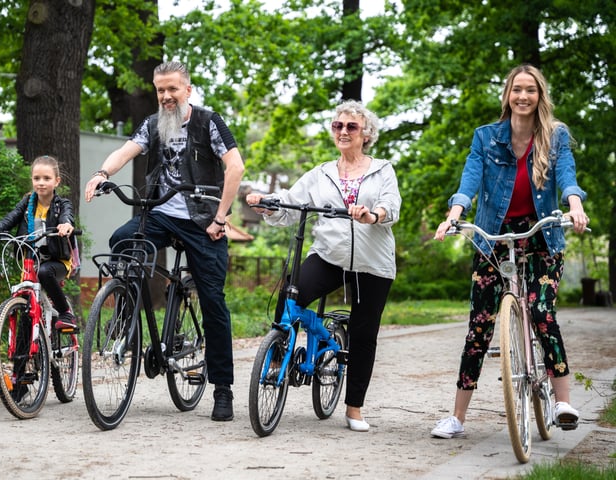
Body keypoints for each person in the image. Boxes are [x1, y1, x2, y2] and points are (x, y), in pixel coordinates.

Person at [430, 64, 589, 439]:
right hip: (493, 239)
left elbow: (567, 175)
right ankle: (457, 417)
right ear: (507, 95)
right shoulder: (486, 138)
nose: (523, 96)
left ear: (539, 96)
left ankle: (563, 402)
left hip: (541, 238)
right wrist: (454, 214)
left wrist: (574, 204)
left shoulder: (556, 136)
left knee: (542, 311)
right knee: (479, 326)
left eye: (530, 90)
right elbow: (470, 178)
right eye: (517, 89)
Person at [83, 60, 245, 421]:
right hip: (159, 211)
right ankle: (126, 314)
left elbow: (235, 166)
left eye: (173, 89)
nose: (166, 96)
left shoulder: (208, 121)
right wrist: (101, 173)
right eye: (161, 90)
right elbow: (127, 150)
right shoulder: (154, 124)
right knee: (122, 240)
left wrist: (221, 217)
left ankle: (222, 388)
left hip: (203, 220)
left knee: (213, 301)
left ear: (188, 90)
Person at [246, 100, 401, 432]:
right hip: (330, 254)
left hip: (371, 264)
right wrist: (267, 205)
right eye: (337, 126)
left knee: (363, 334)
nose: (343, 131)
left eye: (351, 127)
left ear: (366, 134)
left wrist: (372, 215)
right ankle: (277, 357)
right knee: (292, 291)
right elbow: (290, 205)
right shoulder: (322, 172)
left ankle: (354, 408)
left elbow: (391, 206)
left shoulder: (382, 169)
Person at [0, 155, 77, 326]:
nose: (41, 183)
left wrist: (65, 225)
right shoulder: (27, 203)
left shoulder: (61, 204)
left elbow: (67, 216)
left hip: (57, 261)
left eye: (46, 178)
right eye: (37, 178)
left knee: (44, 272)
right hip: (30, 259)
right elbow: (9, 219)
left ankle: (65, 313)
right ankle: (21, 351)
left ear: (57, 181)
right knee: (25, 301)